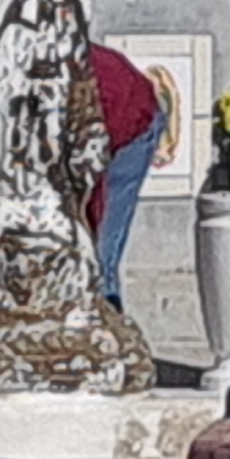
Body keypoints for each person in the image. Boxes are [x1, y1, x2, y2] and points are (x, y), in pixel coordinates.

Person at [83, 43, 165, 305]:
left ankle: (106, 304)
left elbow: (94, 196)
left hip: (132, 124)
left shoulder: (84, 93)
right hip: (109, 107)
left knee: (99, 249)